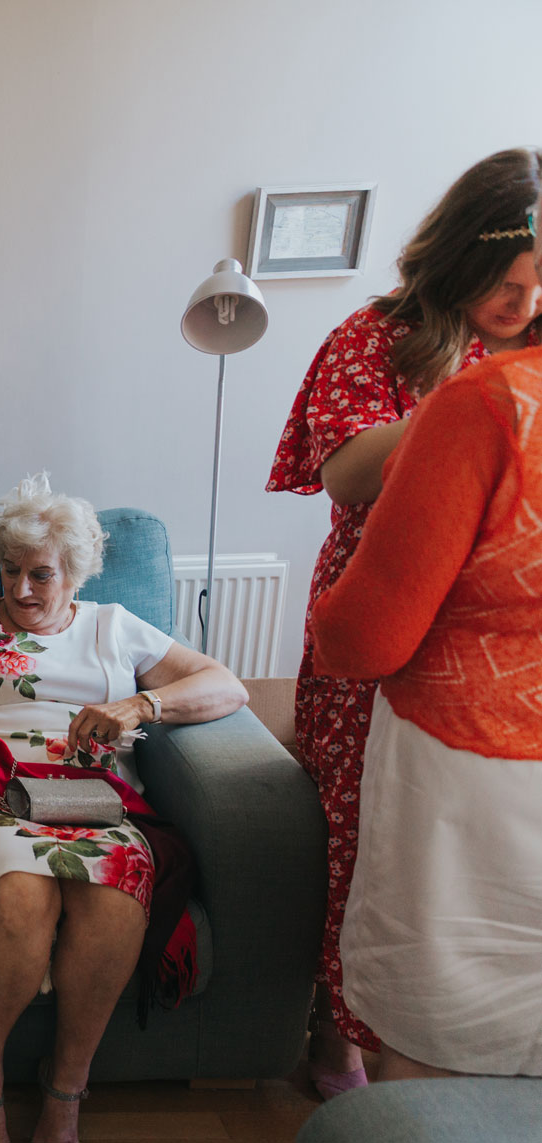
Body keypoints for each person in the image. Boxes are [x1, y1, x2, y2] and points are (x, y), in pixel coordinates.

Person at [267, 147, 542, 1097]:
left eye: (537, 283)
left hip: (505, 651)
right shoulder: (379, 336)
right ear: (460, 251)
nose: (520, 301)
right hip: (380, 615)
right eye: (503, 280)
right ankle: (342, 1031)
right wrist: (465, 414)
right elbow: (344, 472)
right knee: (363, 832)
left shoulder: (527, 350)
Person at [0, 474, 246, 1143]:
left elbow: (228, 684)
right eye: (10, 570)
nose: (21, 590)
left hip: (91, 798)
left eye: (41, 574)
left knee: (116, 894)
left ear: (75, 573)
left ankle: (66, 1088)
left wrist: (142, 704)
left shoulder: (116, 627)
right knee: (21, 891)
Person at [311, 301, 542, 1082]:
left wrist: (330, 611)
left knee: (442, 1040)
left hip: (472, 764)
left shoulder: (487, 401)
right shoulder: (387, 343)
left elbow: (361, 638)